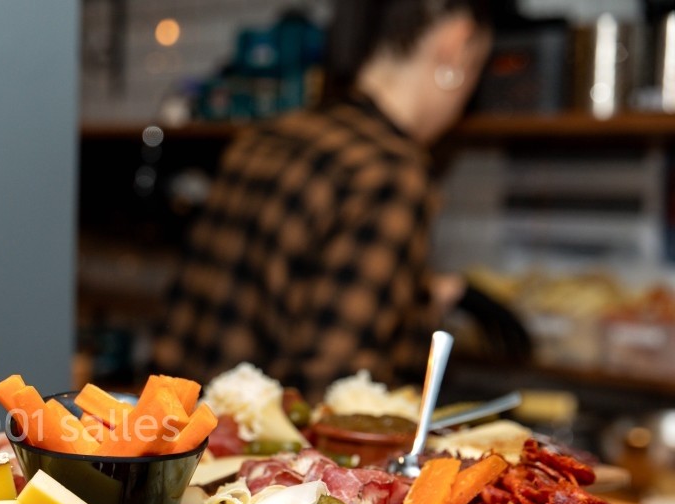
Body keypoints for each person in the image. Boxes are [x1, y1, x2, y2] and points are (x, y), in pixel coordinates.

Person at [150, 0, 495, 402]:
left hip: (173, 436)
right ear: (456, 45)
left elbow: (268, 287)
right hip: (258, 455)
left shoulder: (270, 136)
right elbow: (336, 390)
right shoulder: (390, 170)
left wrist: (425, 297)